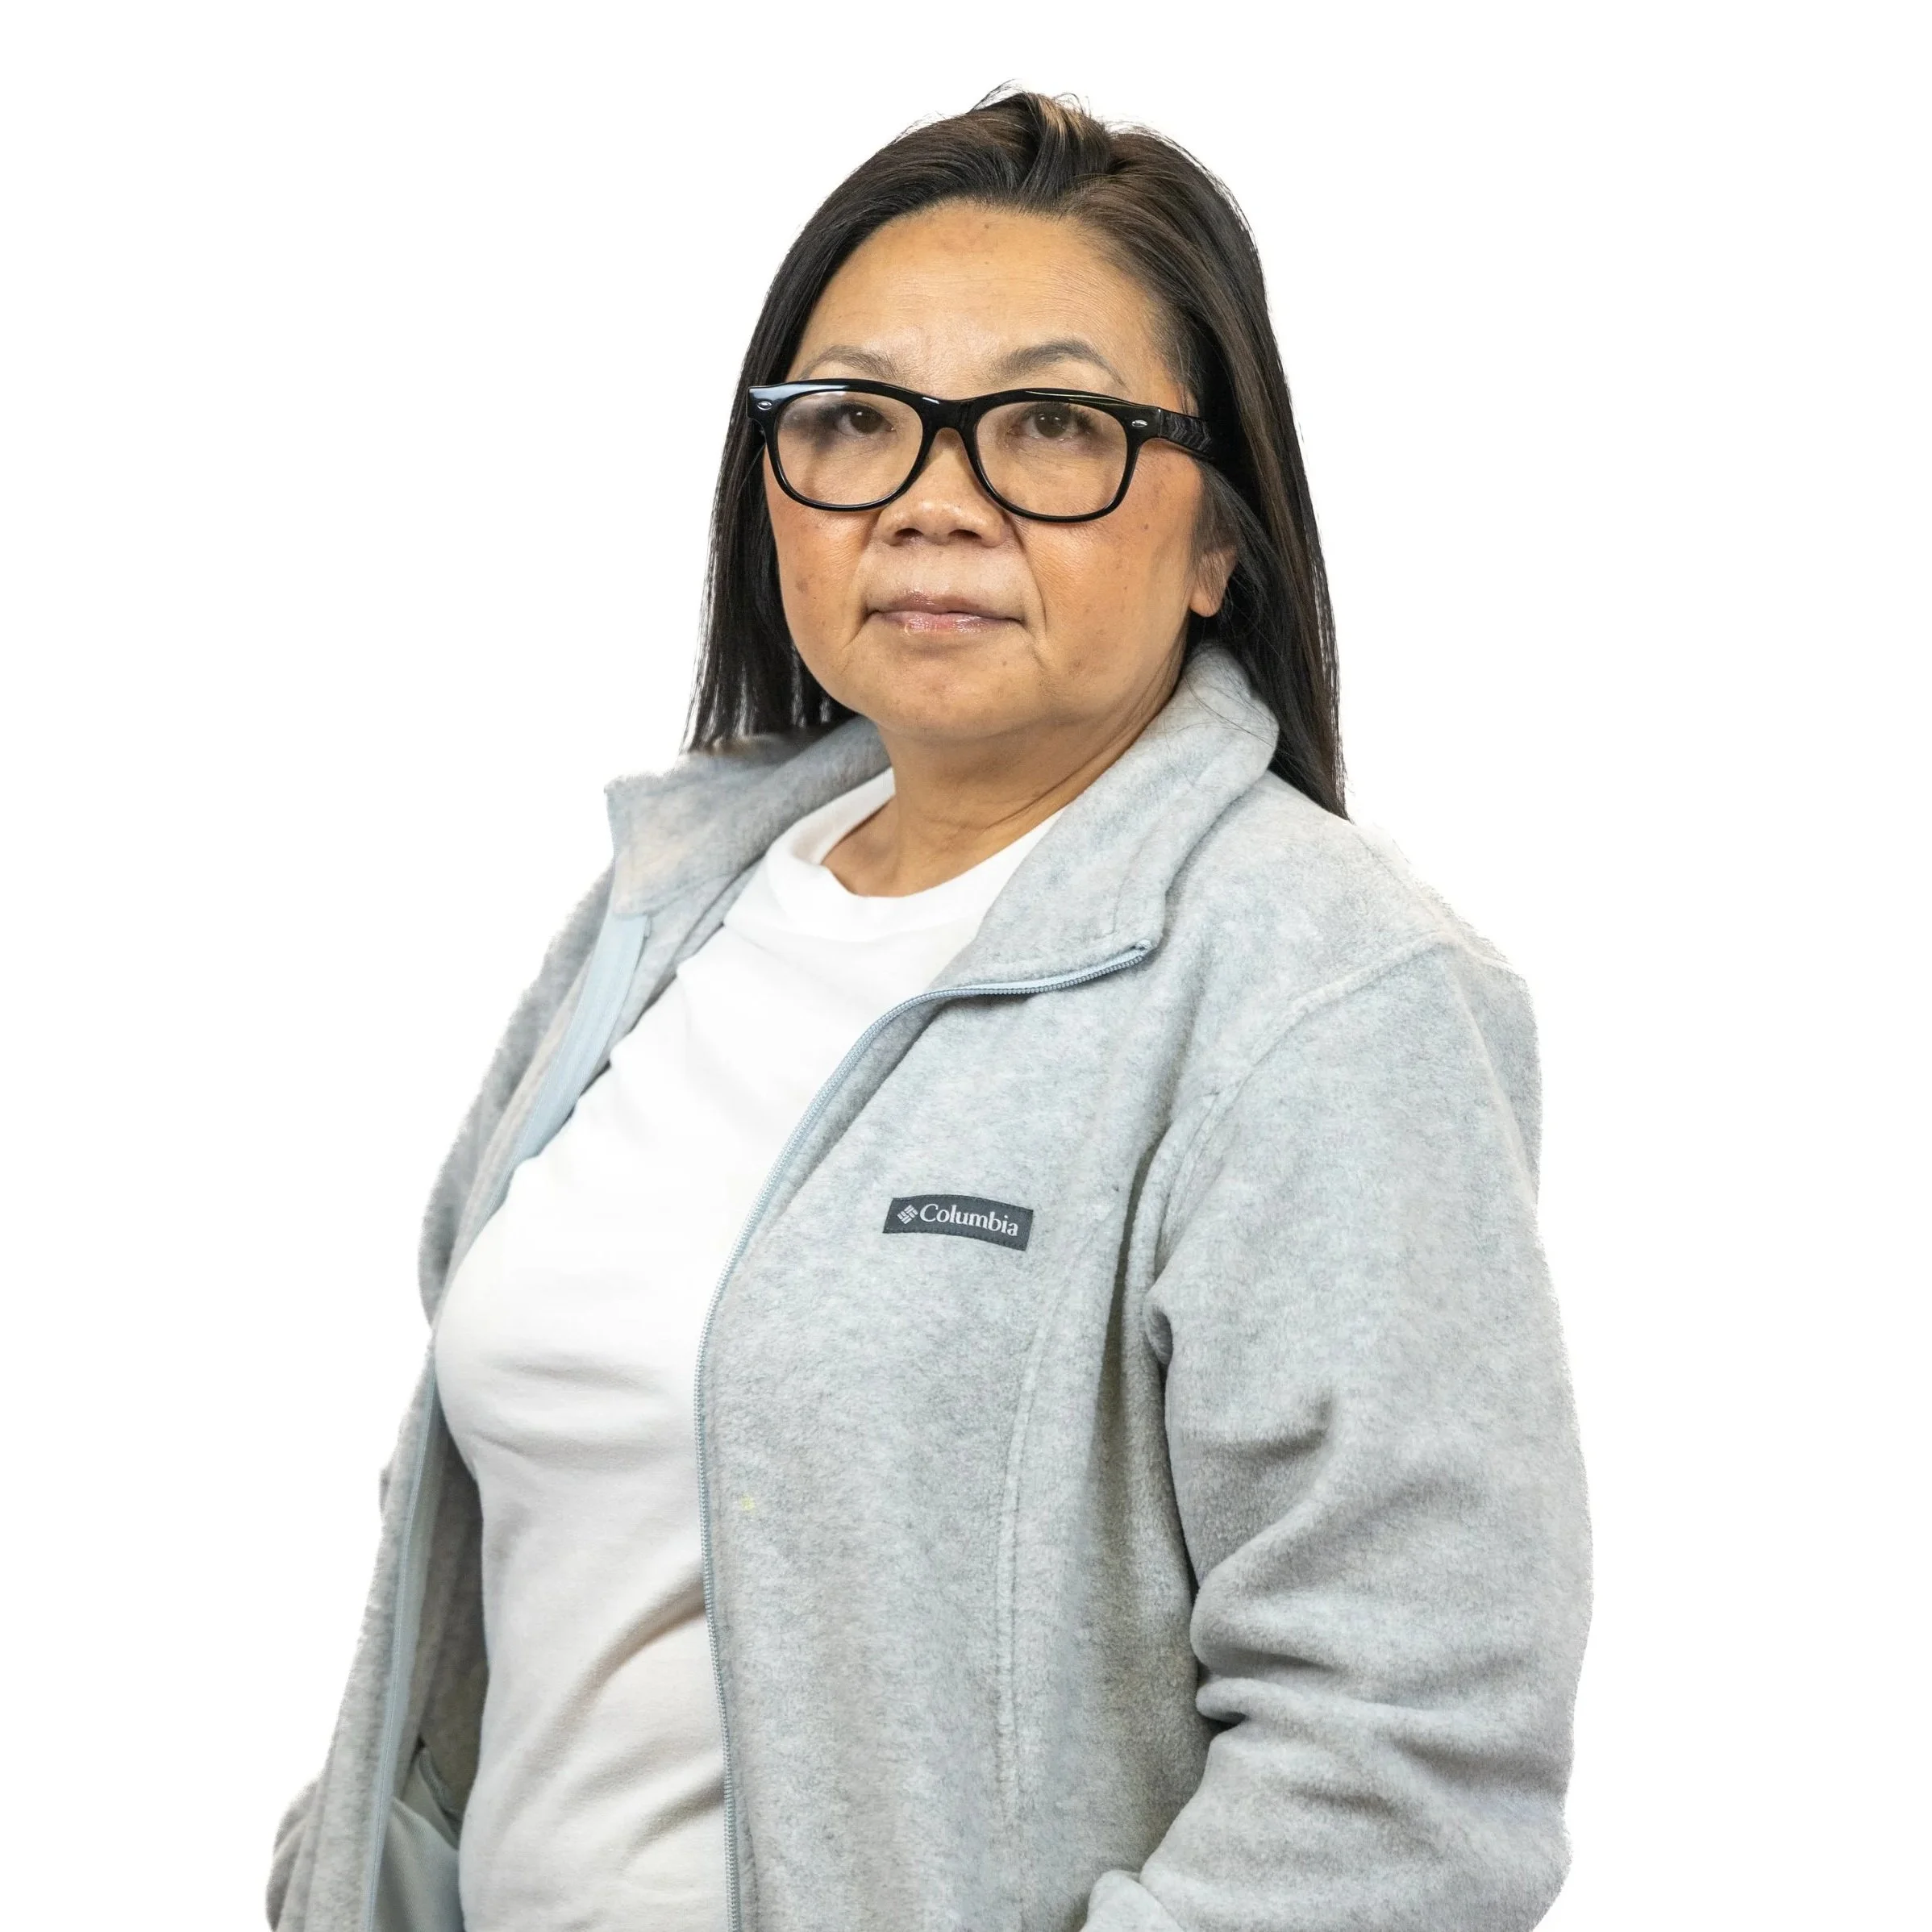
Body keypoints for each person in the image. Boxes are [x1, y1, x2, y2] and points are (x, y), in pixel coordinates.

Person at [267, 88, 1590, 1932]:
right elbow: (482, 1584)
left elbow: (1405, 1757)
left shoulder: (1320, 995)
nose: (930, 500)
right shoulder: (662, 916)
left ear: (1222, 538)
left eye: (1055, 426)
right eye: (853, 422)